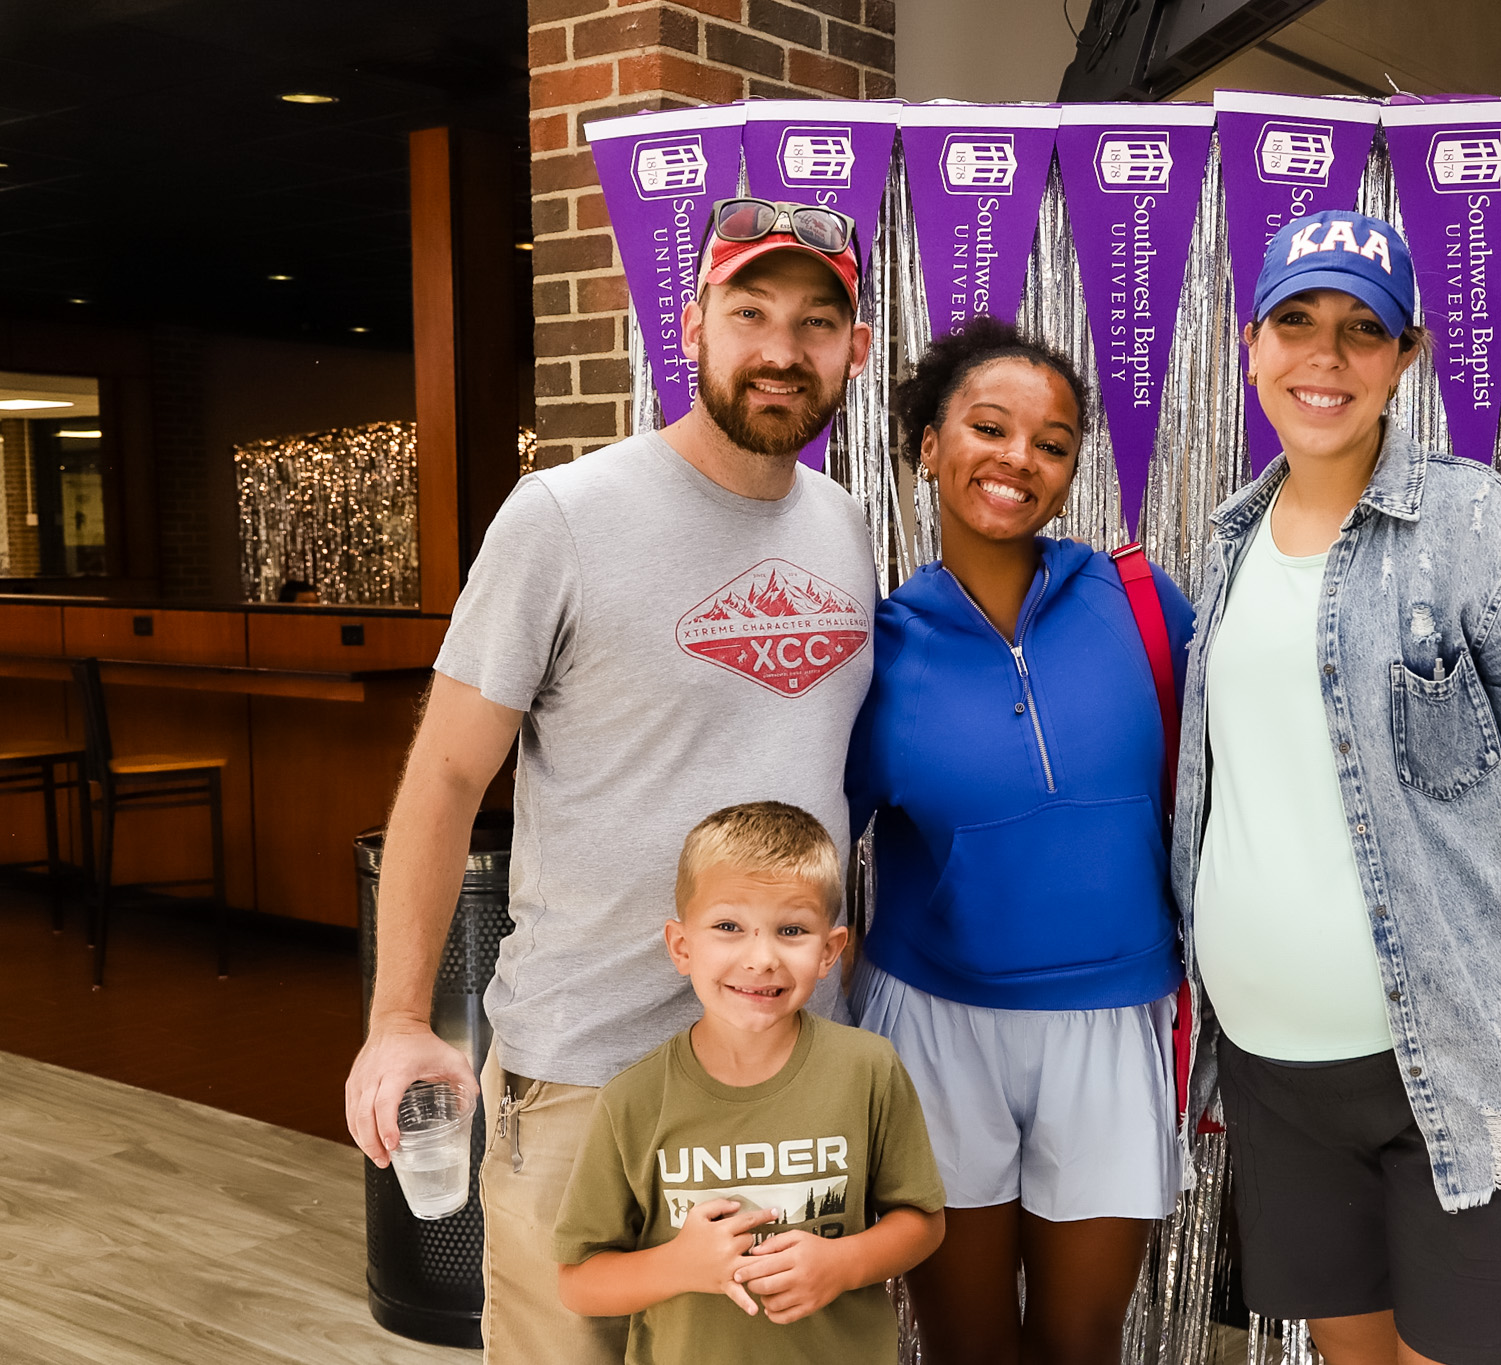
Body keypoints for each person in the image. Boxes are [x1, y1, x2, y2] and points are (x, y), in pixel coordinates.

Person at [343, 199, 879, 1364]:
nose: (782, 348)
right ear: (690, 327)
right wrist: (397, 1021)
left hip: (778, 1087)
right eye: (749, 312)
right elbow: (441, 778)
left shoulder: (846, 530)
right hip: (587, 1074)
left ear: (855, 351)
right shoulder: (562, 519)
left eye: (816, 321)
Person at [1172, 210, 1501, 1365]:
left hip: (1469, 1072)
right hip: (1276, 1077)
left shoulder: (1485, 537)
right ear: (1246, 340)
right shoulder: (1229, 545)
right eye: (1295, 322)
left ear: (1405, 357)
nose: (1324, 357)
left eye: (1363, 330)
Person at [846, 317, 1194, 1365]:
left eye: (1051, 442)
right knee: (964, 1344)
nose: (1018, 460)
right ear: (926, 443)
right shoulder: (876, 644)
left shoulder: (1140, 604)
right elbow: (811, 839)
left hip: (1108, 1017)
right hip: (934, 1025)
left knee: (1081, 1342)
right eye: (989, 427)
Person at [554, 801, 946, 1364]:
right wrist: (678, 1265)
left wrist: (842, 1265)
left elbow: (922, 1222)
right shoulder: (633, 1100)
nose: (761, 958)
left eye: (791, 930)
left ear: (829, 951)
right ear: (682, 947)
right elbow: (578, 1281)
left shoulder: (869, 1069)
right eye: (728, 927)